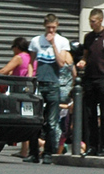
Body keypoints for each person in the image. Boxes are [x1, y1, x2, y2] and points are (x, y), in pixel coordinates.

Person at [24, 13, 71, 164]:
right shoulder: (36, 41)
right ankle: (33, 153)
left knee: (51, 122)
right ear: (44, 26)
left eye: (54, 28)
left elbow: (62, 63)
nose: (51, 31)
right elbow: (31, 62)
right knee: (35, 120)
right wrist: (30, 79)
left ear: (57, 26)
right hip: (39, 84)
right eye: (49, 27)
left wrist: (53, 45)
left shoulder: (62, 41)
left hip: (53, 85)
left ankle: (48, 153)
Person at [77, 8, 104, 157]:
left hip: (103, 78)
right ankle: (92, 146)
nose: (91, 23)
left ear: (100, 20)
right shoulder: (88, 37)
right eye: (90, 21)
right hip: (90, 79)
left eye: (93, 21)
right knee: (90, 115)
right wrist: (82, 62)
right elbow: (85, 56)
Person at [0, 37, 34, 158]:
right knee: (26, 119)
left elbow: (4, 70)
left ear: (17, 47)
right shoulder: (30, 57)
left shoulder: (19, 57)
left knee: (20, 120)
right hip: (30, 90)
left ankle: (40, 143)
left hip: (20, 91)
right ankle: (24, 150)